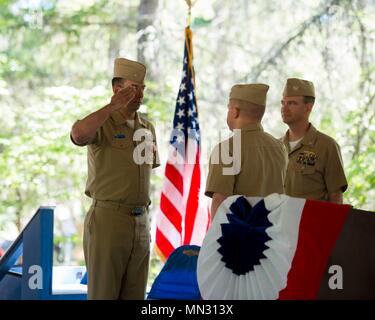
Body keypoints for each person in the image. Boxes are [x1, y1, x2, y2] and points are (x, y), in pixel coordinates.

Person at [70, 57, 159, 299]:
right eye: (133, 87)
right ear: (117, 89)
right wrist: (111, 107)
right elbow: (78, 135)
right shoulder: (102, 122)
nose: (139, 93)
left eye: (142, 88)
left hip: (140, 222)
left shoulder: (146, 128)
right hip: (109, 220)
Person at [205, 84, 288, 220]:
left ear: (235, 111)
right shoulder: (280, 147)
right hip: (272, 236)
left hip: (239, 236)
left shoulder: (227, 149)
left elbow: (219, 201)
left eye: (228, 108)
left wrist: (212, 240)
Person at [280, 77, 347, 203]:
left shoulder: (327, 146)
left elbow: (336, 198)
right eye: (283, 102)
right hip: (279, 221)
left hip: (312, 221)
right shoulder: (276, 147)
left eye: (292, 103)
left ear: (308, 107)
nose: (284, 108)